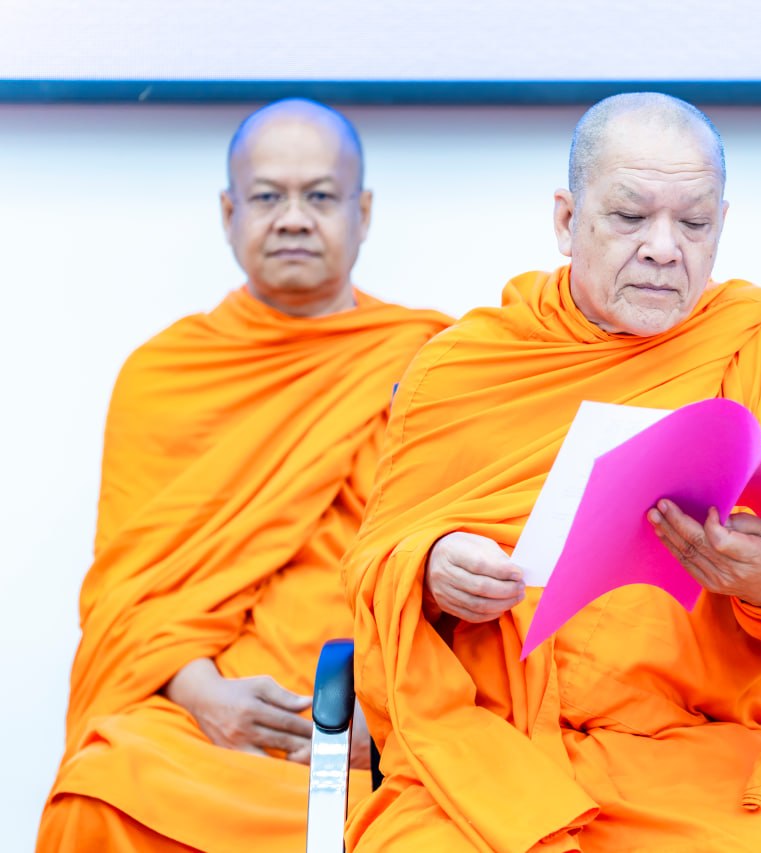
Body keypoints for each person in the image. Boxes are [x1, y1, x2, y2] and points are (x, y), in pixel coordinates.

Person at [341, 92, 761, 851]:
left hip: (698, 751)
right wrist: (431, 570)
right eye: (629, 216)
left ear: (721, 226)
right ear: (567, 221)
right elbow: (375, 567)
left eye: (693, 224)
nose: (664, 248)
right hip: (487, 749)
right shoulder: (463, 368)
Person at [36, 98, 452, 852]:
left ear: (362, 213)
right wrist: (211, 701)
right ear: (229, 214)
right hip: (204, 714)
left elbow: (467, 570)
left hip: (375, 717)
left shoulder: (433, 365)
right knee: (100, 792)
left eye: (319, 196)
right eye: (267, 197)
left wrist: (389, 713)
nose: (293, 219)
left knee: (435, 819)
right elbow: (128, 598)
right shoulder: (166, 375)